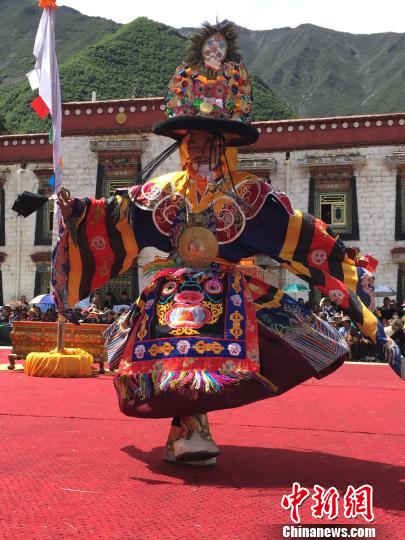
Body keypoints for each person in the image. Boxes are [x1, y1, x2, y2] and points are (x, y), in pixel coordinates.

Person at [53, 22, 402, 466]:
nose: (199, 147)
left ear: (225, 145)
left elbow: (299, 235)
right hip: (174, 290)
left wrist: (347, 266)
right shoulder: (163, 191)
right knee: (178, 347)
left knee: (246, 344)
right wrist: (73, 209)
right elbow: (117, 214)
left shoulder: (252, 196)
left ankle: (192, 426)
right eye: (192, 139)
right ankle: (189, 427)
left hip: (231, 289)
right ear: (182, 144)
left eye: (208, 139)